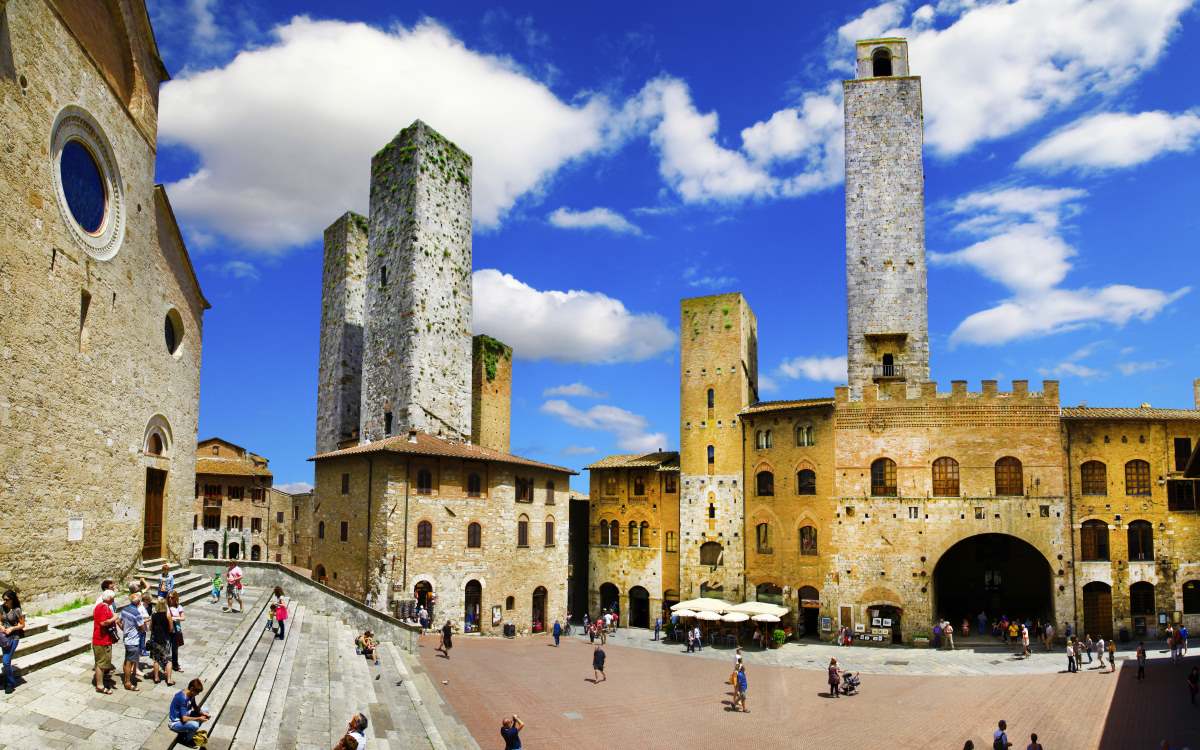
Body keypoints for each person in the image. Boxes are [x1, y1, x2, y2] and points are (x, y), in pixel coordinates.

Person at [169, 678, 210, 747]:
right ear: (191, 689)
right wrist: (199, 718)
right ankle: (186, 740)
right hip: (176, 723)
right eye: (197, 692)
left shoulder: (191, 694)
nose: (198, 694)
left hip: (186, 714)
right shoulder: (183, 698)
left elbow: (195, 707)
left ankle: (188, 730)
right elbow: (184, 719)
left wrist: (202, 713)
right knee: (195, 725)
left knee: (205, 710)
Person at [92, 589, 118, 694]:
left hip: (104, 640)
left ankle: (101, 680)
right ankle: (99, 685)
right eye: (113, 598)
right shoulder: (102, 607)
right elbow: (103, 623)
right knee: (100, 664)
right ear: (109, 599)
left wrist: (113, 617)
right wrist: (113, 618)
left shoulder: (104, 606)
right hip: (101, 640)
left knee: (103, 663)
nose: (114, 600)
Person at [1, 590, 26, 694]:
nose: (4, 601)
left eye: (6, 599)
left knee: (6, 661)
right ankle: (8, 679)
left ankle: (10, 683)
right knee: (7, 661)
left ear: (12, 599)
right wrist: (2, 627)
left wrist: (12, 629)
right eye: (3, 599)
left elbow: (22, 625)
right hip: (3, 636)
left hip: (14, 636)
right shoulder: (2, 607)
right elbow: (0, 620)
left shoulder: (17, 610)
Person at [120, 591, 145, 690]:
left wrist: (123, 629)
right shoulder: (137, 613)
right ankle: (127, 682)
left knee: (127, 660)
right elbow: (142, 628)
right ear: (139, 602)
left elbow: (118, 621)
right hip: (133, 640)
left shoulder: (124, 609)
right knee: (130, 662)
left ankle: (126, 678)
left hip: (126, 638)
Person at [149, 598, 175, 685]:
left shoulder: (154, 615)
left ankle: (156, 678)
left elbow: (150, 628)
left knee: (156, 659)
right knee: (168, 660)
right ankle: (169, 680)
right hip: (165, 639)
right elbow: (171, 628)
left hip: (156, 639)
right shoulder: (167, 615)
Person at [167, 590, 185, 672]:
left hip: (176, 630)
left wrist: (175, 618)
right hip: (167, 629)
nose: (170, 599)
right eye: (169, 597)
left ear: (176, 598)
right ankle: (166, 665)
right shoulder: (166, 606)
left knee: (175, 649)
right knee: (166, 648)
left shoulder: (179, 607)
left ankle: (175, 665)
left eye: (172, 597)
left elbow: (183, 618)